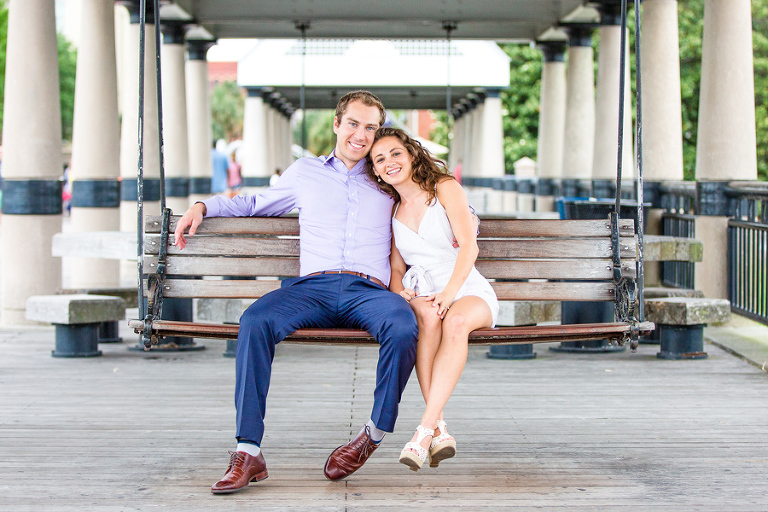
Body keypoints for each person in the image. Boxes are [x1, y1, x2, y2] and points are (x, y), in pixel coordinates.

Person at [173, 91, 418, 494]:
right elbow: (254, 202)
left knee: (404, 327)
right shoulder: (305, 172)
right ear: (338, 124)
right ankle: (248, 451)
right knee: (255, 320)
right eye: (354, 123)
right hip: (313, 287)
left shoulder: (387, 176)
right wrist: (203, 205)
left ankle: (371, 435)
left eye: (370, 127)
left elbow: (429, 200)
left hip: (368, 291)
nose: (361, 134)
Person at [365, 127, 499, 471]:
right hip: (424, 290)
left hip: (465, 286)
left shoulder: (444, 188)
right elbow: (396, 270)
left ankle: (424, 431)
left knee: (454, 320)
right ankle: (438, 430)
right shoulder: (392, 212)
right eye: (380, 159)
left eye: (395, 153)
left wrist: (450, 293)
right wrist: (402, 293)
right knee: (425, 317)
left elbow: (470, 246)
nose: (389, 162)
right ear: (376, 171)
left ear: (411, 155)